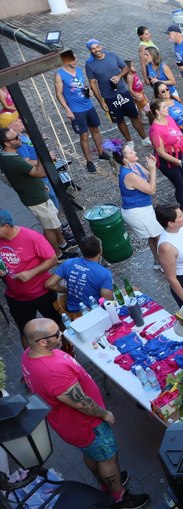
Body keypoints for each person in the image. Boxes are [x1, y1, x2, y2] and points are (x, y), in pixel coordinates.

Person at [21, 318, 151, 508]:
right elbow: (80, 402)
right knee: (108, 457)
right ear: (42, 342)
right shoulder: (52, 371)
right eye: (57, 334)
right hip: (88, 425)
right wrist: (103, 414)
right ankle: (119, 497)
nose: (61, 334)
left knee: (92, 453)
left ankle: (106, 484)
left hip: (70, 427)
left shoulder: (28, 354)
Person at [0, 128, 69, 258]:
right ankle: (58, 254)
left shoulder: (7, 156)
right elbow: (40, 173)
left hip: (35, 193)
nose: (19, 138)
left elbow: (24, 176)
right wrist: (40, 153)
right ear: (7, 143)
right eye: (16, 137)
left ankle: (62, 243)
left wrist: (41, 185)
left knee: (53, 221)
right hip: (36, 198)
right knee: (49, 227)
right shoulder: (14, 160)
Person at [0, 210, 61, 349]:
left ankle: (68, 353)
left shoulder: (32, 237)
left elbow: (52, 259)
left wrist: (31, 273)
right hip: (16, 298)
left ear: (5, 226)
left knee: (57, 325)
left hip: (43, 293)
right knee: (25, 332)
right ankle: (31, 362)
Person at [84, 39, 150, 147]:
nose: (96, 50)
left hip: (123, 92)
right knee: (120, 121)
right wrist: (101, 101)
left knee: (134, 116)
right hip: (109, 97)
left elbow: (125, 67)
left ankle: (144, 138)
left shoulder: (112, 56)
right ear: (90, 50)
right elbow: (93, 84)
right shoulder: (90, 64)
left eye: (97, 47)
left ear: (101, 46)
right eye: (93, 49)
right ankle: (129, 142)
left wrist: (119, 76)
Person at [54, 50, 107, 174]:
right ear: (64, 62)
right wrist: (67, 110)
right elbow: (59, 94)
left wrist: (90, 92)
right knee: (84, 135)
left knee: (95, 129)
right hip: (76, 110)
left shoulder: (78, 70)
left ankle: (101, 152)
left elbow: (81, 85)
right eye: (72, 60)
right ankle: (89, 161)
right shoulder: (60, 75)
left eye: (75, 59)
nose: (75, 62)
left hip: (88, 105)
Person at [112, 144, 164, 269]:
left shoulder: (136, 166)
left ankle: (158, 262)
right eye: (131, 152)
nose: (135, 152)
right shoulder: (129, 175)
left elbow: (149, 177)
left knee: (154, 236)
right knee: (160, 237)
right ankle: (165, 264)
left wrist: (152, 168)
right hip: (137, 213)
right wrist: (152, 170)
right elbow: (151, 190)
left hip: (143, 209)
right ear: (125, 159)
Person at [0, 112, 63, 214]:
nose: (20, 120)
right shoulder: (18, 144)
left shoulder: (21, 137)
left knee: (54, 198)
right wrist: (44, 159)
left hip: (44, 175)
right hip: (41, 178)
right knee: (52, 201)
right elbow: (27, 162)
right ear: (9, 127)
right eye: (15, 120)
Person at [147, 98, 183, 219]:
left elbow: (177, 133)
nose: (167, 108)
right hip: (168, 161)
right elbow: (161, 152)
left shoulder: (168, 118)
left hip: (180, 153)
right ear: (157, 112)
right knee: (180, 184)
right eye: (164, 107)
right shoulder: (156, 130)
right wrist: (178, 162)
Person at [44, 236, 114, 316]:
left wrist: (67, 290)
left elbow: (49, 284)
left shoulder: (68, 263)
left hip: (72, 313)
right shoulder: (104, 273)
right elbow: (106, 302)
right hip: (93, 313)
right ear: (100, 251)